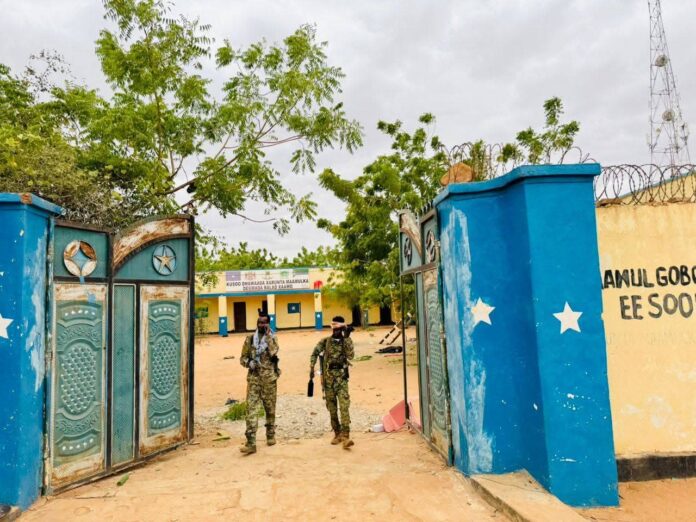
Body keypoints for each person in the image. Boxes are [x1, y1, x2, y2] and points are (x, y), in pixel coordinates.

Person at [309, 316, 355, 449]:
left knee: (344, 407)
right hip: (328, 380)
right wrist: (312, 367)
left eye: (339, 329)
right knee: (332, 409)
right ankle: (337, 434)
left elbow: (351, 356)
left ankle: (346, 436)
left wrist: (347, 337)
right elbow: (314, 353)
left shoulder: (346, 341)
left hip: (341, 380)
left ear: (342, 329)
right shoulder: (325, 342)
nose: (336, 331)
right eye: (334, 329)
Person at [239, 313, 280, 455]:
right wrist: (249, 363)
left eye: (264, 322)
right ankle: (251, 443)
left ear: (268, 324)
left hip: (269, 379)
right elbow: (242, 358)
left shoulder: (273, 338)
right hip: (254, 380)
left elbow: (274, 352)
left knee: (270, 408)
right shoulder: (250, 339)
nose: (261, 325)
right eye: (259, 322)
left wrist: (268, 337)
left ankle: (270, 434)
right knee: (251, 410)